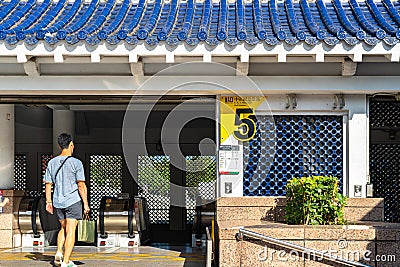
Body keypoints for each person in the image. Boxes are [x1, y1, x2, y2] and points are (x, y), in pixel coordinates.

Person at [44, 133, 89, 267]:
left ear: (59, 145)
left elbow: (48, 184)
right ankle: (66, 262)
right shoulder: (76, 163)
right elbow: (81, 185)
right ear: (71, 145)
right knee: (70, 230)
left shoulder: (52, 162)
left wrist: (48, 202)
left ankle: (58, 251)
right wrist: (86, 204)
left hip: (58, 201)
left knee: (62, 228)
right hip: (73, 201)